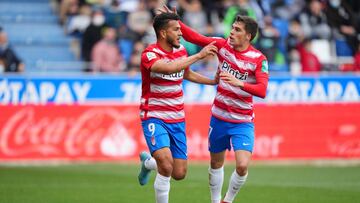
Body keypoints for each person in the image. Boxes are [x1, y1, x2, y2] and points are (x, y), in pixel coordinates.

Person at [160, 6, 269, 203]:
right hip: (219, 118)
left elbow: (262, 90)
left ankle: (228, 200)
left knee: (242, 165)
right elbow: (195, 38)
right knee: (216, 163)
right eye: (233, 28)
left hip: (242, 121)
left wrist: (240, 83)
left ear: (248, 36)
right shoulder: (222, 45)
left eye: (237, 30)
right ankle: (214, 200)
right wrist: (175, 20)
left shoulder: (258, 59)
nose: (232, 32)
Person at [137, 12, 218, 203]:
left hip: (177, 118)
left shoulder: (181, 50)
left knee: (179, 173)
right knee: (165, 165)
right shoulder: (150, 54)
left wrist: (211, 81)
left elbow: (185, 73)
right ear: (163, 33)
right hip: (154, 116)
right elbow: (168, 68)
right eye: (176, 29)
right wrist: (199, 55)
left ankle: (148, 163)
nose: (181, 33)